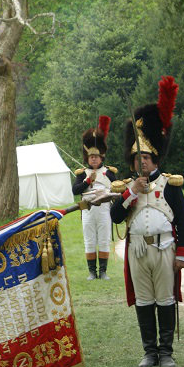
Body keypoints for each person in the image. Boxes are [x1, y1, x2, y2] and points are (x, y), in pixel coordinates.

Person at [110, 76, 184, 367]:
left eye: (146, 157)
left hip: (165, 248)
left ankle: (166, 351)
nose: (141, 162)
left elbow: (181, 219)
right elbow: (115, 217)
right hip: (137, 251)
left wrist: (183, 254)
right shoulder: (127, 188)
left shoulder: (170, 185)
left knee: (165, 299)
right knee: (143, 300)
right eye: (137, 158)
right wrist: (131, 193)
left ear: (155, 159)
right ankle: (149, 351)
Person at [72, 115, 117, 280]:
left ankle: (103, 271)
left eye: (96, 157)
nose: (94, 159)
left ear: (101, 157)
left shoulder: (109, 172)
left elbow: (117, 187)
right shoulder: (82, 173)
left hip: (104, 209)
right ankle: (92, 272)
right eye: (91, 157)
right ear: (87, 158)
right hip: (88, 211)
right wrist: (86, 182)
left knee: (104, 239)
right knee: (90, 240)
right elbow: (75, 190)